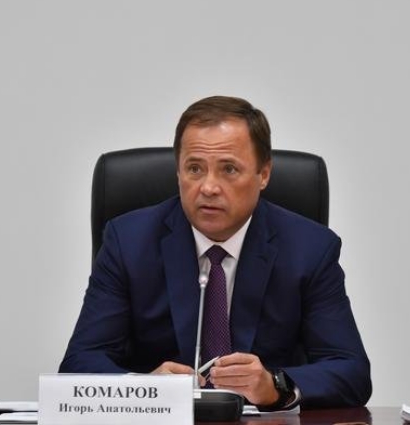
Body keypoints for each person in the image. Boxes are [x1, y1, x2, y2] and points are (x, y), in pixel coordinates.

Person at [59, 96, 372, 409]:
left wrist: (275, 385)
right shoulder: (128, 242)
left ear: (264, 174)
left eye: (229, 169)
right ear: (178, 172)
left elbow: (351, 371)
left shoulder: (309, 249)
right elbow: (79, 363)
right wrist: (145, 389)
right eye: (194, 168)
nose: (208, 187)